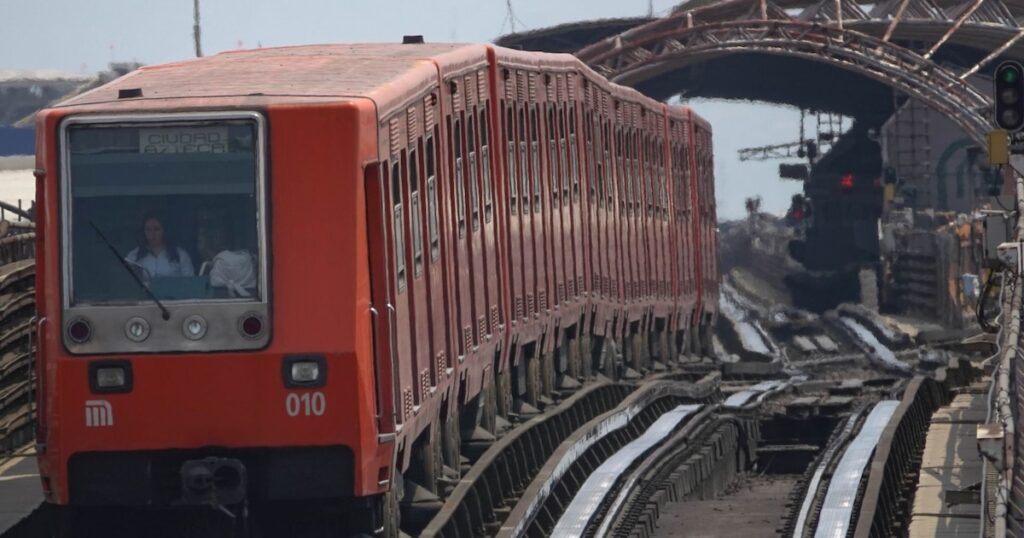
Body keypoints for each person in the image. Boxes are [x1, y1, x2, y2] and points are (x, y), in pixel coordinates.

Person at [124, 213, 195, 278]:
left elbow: (190, 283)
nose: (152, 233)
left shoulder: (180, 255)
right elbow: (126, 282)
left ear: (165, 230)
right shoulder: (133, 256)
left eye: (157, 229)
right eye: (148, 229)